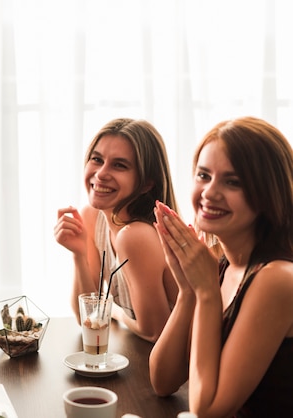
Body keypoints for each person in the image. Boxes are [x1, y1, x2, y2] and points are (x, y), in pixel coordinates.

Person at [149, 117, 293, 417]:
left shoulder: (277, 279)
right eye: (204, 175)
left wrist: (205, 292)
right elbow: (163, 381)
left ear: (268, 193)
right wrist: (188, 291)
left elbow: (208, 410)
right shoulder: (222, 264)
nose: (210, 192)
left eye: (233, 182)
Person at [54, 118, 179, 343]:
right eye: (97, 159)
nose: (101, 173)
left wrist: (113, 311)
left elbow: (155, 332)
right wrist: (79, 254)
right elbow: (86, 316)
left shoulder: (136, 235)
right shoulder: (94, 216)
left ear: (146, 183)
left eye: (119, 165)